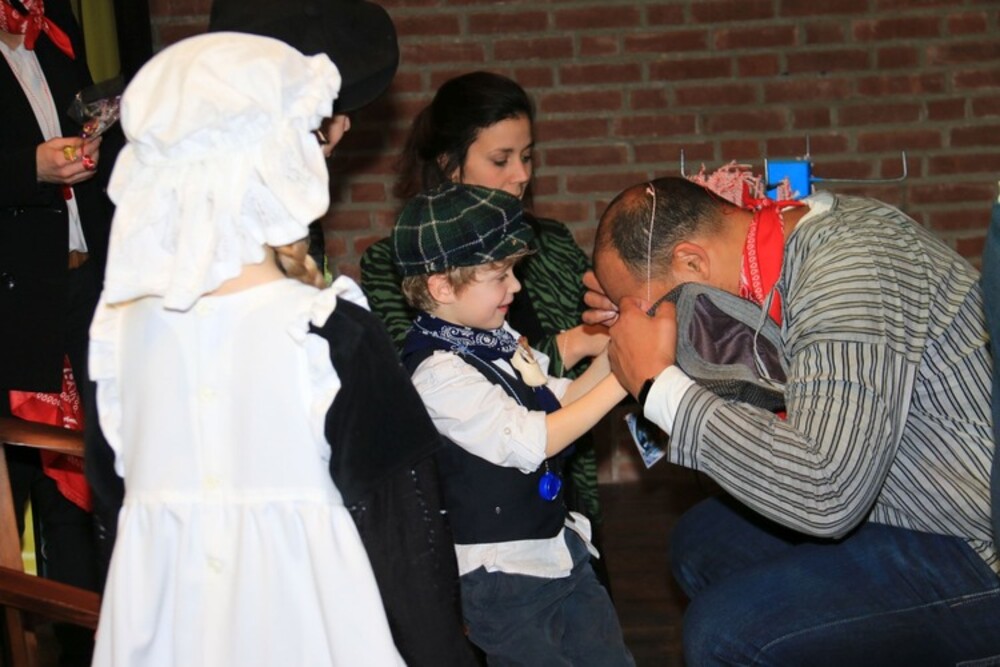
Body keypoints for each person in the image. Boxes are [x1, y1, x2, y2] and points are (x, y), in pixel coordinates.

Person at [85, 33, 423, 666]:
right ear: (281, 164)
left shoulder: (117, 337)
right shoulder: (328, 330)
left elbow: (111, 521)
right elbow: (405, 540)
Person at [589, 175, 1000, 665]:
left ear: (692, 261)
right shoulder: (770, 248)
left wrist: (659, 386)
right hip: (902, 497)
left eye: (651, 309)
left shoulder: (848, 268)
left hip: (975, 535)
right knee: (699, 543)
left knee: (723, 634)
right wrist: (642, 324)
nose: (652, 322)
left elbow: (827, 492)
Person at [202, 3, 479, 664]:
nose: (346, 126)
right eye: (327, 115)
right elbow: (403, 534)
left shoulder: (132, 311)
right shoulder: (330, 331)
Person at [360, 70, 609, 546]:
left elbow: (567, 387)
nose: (522, 174)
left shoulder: (553, 243)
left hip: (563, 488)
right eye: (501, 159)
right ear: (450, 165)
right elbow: (427, 389)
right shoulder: (396, 264)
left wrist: (616, 326)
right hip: (485, 522)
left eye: (527, 156)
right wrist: (579, 343)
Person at [394, 181, 634, 666]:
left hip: (555, 547)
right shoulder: (439, 373)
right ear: (442, 287)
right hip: (502, 577)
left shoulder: (491, 337)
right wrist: (629, 376)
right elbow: (533, 439)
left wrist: (619, 349)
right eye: (500, 275)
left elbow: (557, 400)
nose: (516, 287)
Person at [0, 1, 121, 663]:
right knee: (15, 485)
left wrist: (95, 144)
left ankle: (90, 645)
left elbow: (82, 128)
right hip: (12, 302)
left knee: (83, 478)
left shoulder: (52, 25)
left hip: (84, 285)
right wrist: (30, 168)